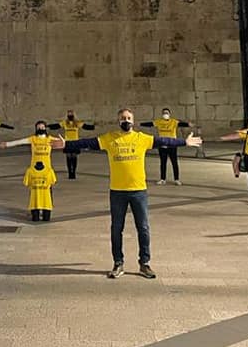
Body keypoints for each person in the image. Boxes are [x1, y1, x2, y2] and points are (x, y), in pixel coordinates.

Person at [54, 108, 202, 278]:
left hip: (138, 191)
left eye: (128, 118)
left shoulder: (141, 138)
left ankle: (144, 263)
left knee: (143, 228)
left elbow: (163, 140)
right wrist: (67, 144)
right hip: (118, 191)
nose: (126, 120)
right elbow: (87, 142)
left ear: (133, 120)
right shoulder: (110, 138)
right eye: (123, 118)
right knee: (117, 228)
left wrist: (184, 142)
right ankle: (118, 263)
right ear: (119, 121)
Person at [140, 108, 191, 185]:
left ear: (169, 114)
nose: (165, 114)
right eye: (164, 113)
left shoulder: (173, 121)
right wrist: (140, 124)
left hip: (172, 145)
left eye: (167, 113)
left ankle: (176, 179)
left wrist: (188, 124)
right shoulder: (159, 122)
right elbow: (150, 124)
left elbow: (181, 124)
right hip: (162, 145)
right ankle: (162, 179)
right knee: (163, 163)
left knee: (174, 162)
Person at [47, 111, 95, 179]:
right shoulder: (65, 123)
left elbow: (85, 126)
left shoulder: (77, 123)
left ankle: (74, 173)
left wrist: (93, 126)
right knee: (69, 157)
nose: (70, 115)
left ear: (73, 115)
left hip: (75, 142)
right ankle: (70, 173)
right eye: (69, 114)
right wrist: (48, 126)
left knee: (74, 157)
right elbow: (56, 126)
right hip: (67, 142)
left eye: (71, 114)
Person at [0, 120, 64, 169]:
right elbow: (20, 141)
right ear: (36, 129)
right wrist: (7, 144)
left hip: (47, 166)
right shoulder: (33, 139)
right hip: (34, 166)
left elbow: (65, 143)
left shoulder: (50, 139)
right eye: (39, 127)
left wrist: (63, 142)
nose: (41, 128)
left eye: (42, 127)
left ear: (45, 128)